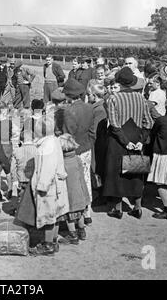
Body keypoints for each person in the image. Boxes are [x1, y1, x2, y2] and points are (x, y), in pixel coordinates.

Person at [103, 67, 154, 219]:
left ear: (119, 82)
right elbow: (149, 122)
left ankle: (117, 209)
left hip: (118, 141)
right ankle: (137, 207)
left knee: (117, 173)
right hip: (137, 137)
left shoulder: (113, 98)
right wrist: (140, 141)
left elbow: (114, 124)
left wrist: (125, 142)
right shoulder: (141, 98)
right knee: (136, 173)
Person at [23, 115, 69, 256]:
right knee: (55, 215)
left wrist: (42, 185)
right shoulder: (53, 141)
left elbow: (47, 167)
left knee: (49, 215)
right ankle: (53, 241)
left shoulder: (47, 145)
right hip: (57, 183)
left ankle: (48, 245)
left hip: (49, 185)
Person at [61, 78, 95, 225]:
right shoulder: (89, 107)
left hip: (74, 151)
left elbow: (68, 134)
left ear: (69, 95)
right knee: (86, 178)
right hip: (87, 148)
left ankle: (77, 213)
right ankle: (88, 211)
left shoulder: (68, 111)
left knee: (75, 182)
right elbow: (93, 131)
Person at [57, 133, 90, 244]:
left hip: (69, 194)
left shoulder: (61, 162)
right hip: (79, 192)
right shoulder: (77, 159)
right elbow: (81, 176)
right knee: (80, 213)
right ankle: (82, 231)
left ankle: (73, 235)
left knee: (70, 216)